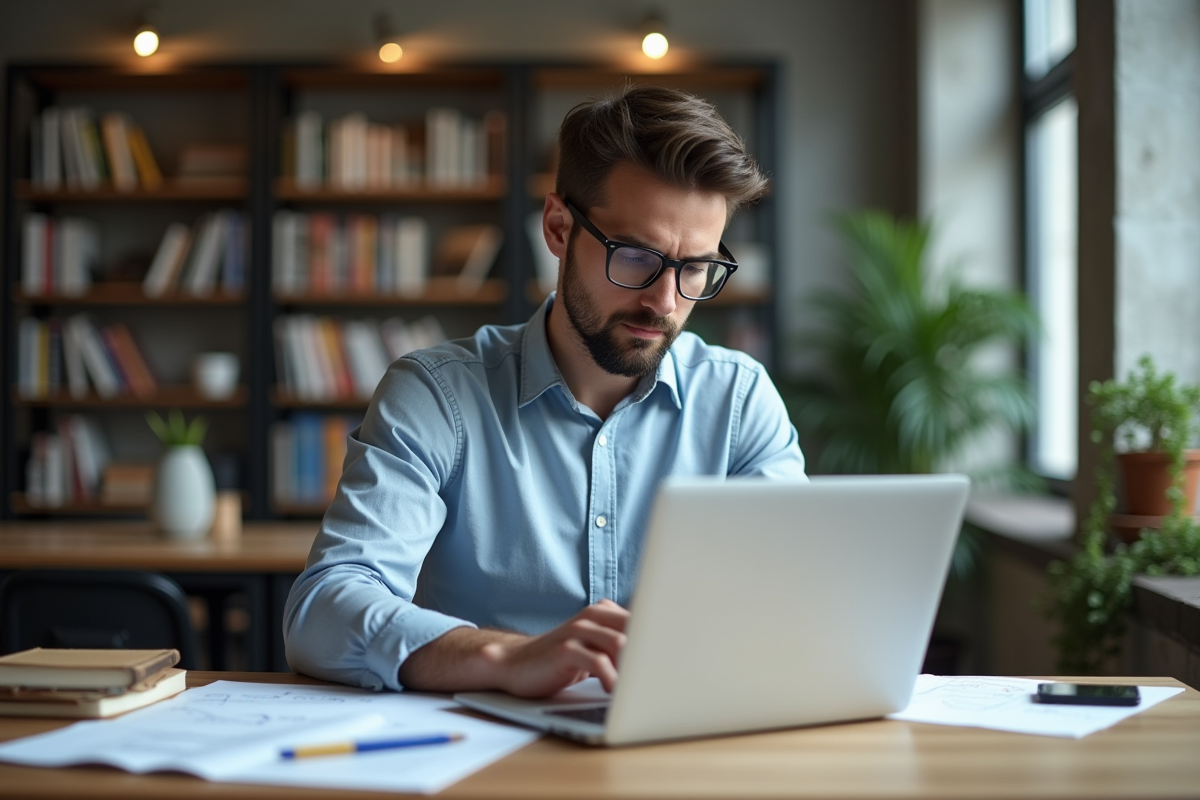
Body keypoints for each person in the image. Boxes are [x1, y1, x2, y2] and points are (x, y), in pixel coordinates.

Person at [283, 84, 807, 698]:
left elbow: (798, 604)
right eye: (636, 257)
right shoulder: (436, 396)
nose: (665, 302)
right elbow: (323, 610)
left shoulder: (739, 402)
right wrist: (507, 657)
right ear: (559, 228)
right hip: (482, 746)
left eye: (695, 268)